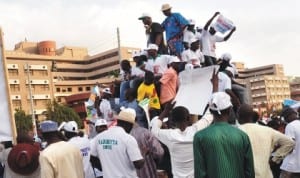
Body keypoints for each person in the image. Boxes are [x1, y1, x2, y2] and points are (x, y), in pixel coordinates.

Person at [193, 92, 255, 178]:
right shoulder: (242, 136)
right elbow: (249, 172)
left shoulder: (199, 137)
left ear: (210, 111)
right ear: (230, 110)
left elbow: (200, 173)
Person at [238, 104, 295, 178]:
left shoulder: (236, 132)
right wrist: (274, 159)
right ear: (253, 116)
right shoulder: (267, 130)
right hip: (266, 174)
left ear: (238, 116)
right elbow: (289, 142)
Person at [90, 108, 144, 178]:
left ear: (118, 121)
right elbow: (138, 164)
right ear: (129, 125)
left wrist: (103, 168)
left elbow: (91, 156)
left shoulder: (98, 137)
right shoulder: (128, 138)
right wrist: (143, 153)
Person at [130, 110, 164, 178]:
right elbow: (160, 152)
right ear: (136, 118)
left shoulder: (123, 136)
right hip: (148, 173)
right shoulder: (145, 132)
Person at [280, 107, 300, 178]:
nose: (285, 120)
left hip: (291, 166)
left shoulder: (290, 126)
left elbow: (289, 146)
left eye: (284, 118)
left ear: (287, 116)